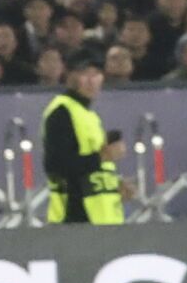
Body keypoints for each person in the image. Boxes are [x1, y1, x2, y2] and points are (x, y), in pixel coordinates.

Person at [42, 50, 125, 225]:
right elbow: (57, 165)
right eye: (84, 74)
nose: (91, 81)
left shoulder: (88, 115)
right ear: (69, 76)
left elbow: (94, 169)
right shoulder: (61, 112)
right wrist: (103, 156)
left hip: (101, 220)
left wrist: (114, 186)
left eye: (96, 74)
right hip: (75, 218)